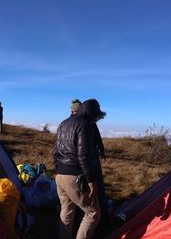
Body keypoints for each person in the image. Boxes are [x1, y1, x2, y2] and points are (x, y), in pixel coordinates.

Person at [54, 98, 106, 239]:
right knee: (93, 213)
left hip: (59, 175)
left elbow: (56, 151)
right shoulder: (85, 125)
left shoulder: (63, 124)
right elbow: (83, 155)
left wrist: (58, 170)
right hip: (75, 176)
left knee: (67, 211)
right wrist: (91, 180)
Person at [70, 99, 110, 236]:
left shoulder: (88, 122)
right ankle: (91, 218)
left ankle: (100, 214)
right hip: (83, 161)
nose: (74, 112)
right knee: (87, 189)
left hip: (89, 159)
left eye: (76, 110)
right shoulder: (78, 123)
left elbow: (97, 136)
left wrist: (101, 149)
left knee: (95, 187)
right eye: (73, 110)